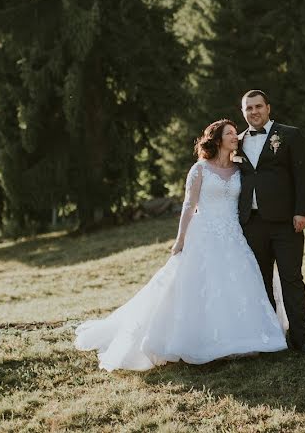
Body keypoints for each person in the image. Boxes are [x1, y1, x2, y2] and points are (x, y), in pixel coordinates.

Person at [74, 119, 287, 371]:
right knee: (201, 285)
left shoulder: (242, 169)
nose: (236, 137)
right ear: (217, 139)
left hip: (233, 234)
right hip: (204, 234)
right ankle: (203, 340)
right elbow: (188, 206)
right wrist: (180, 240)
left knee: (238, 283)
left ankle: (244, 337)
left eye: (235, 133)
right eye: (230, 133)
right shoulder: (200, 169)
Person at [236, 89, 305, 355]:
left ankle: (301, 338)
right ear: (243, 112)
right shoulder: (236, 142)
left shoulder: (289, 134)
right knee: (261, 281)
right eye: (249, 108)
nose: (254, 112)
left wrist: (301, 211)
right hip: (252, 223)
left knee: (291, 278)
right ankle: (271, 337)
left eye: (258, 106)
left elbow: (302, 175)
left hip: (285, 221)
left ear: (268, 108)